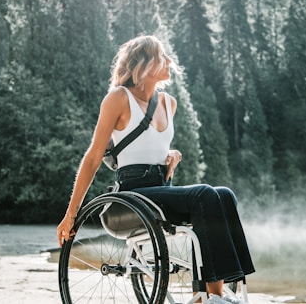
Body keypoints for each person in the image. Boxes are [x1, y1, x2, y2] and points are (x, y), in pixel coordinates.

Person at [57, 35, 255, 304]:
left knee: (223, 195)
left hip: (160, 188)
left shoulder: (168, 103)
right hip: (131, 195)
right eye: (163, 56)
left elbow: (153, 145)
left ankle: (212, 292)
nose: (170, 61)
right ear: (145, 63)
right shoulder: (118, 98)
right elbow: (93, 157)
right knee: (206, 194)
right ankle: (214, 297)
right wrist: (71, 215)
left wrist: (171, 154)